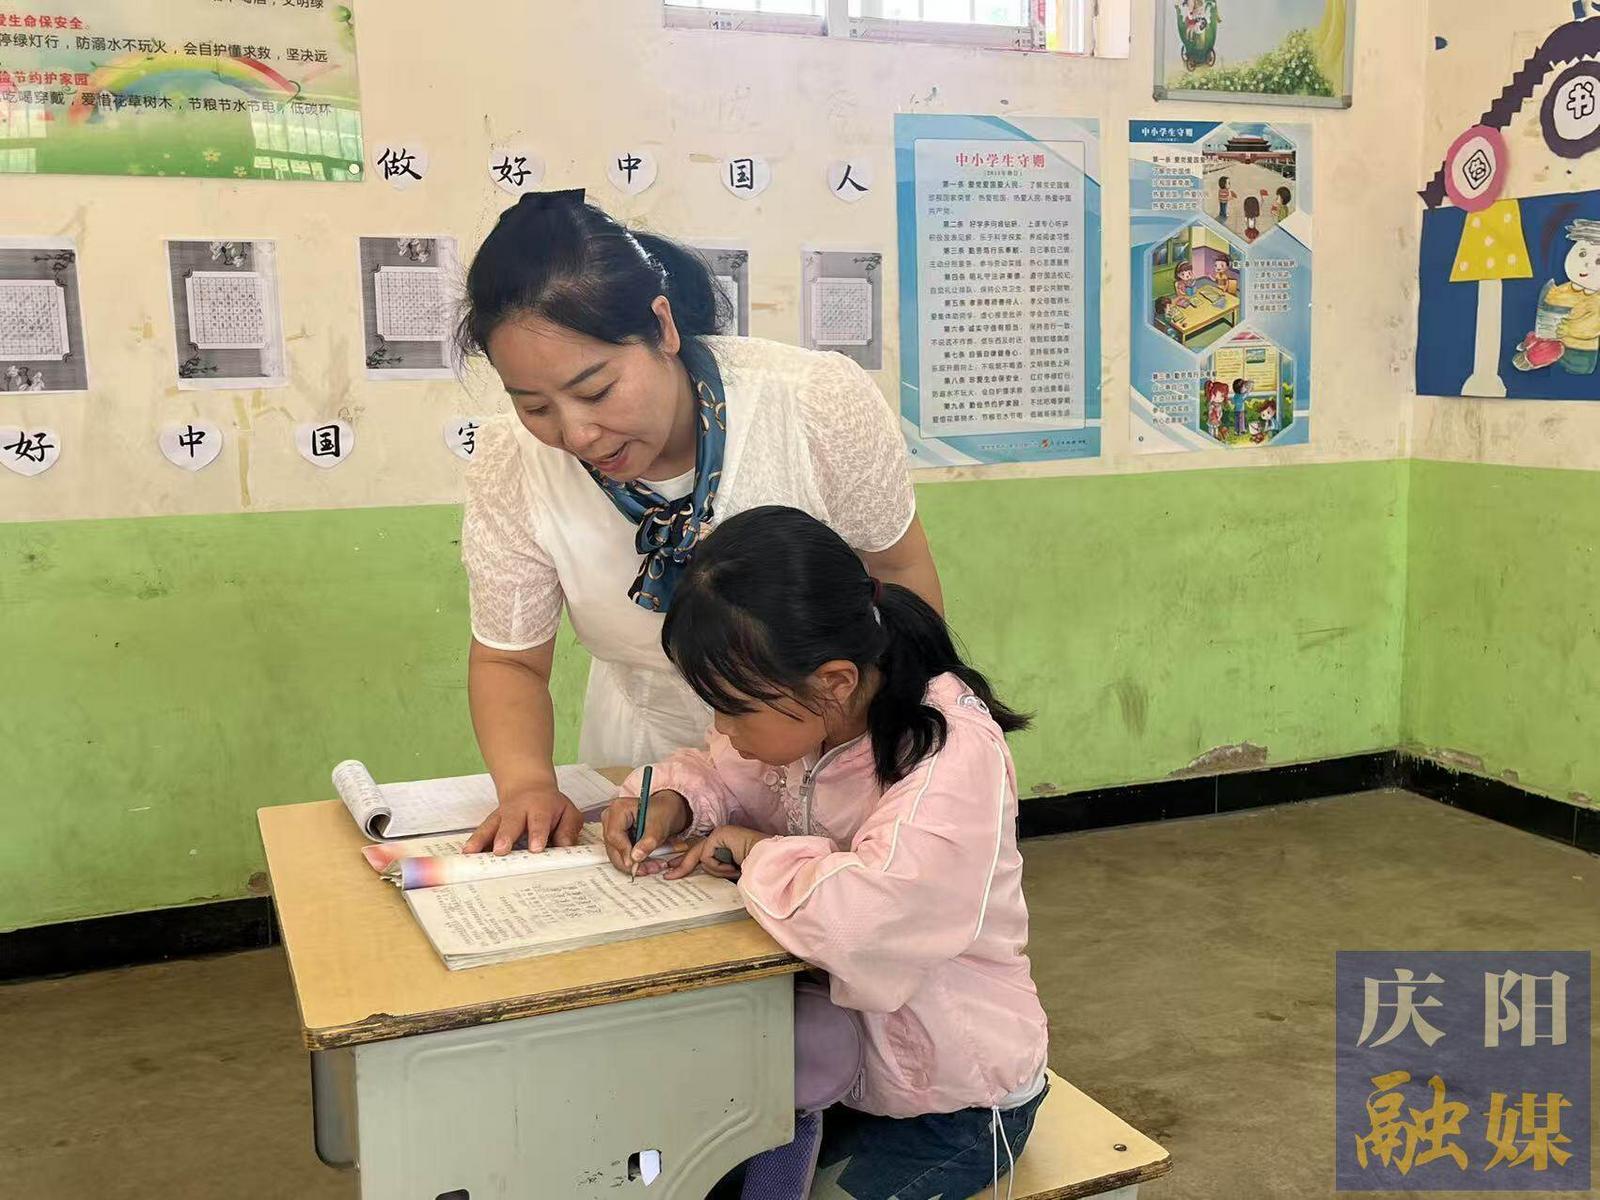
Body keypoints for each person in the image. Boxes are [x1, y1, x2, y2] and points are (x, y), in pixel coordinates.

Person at [456, 190, 941, 856]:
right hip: (645, 749)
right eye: (535, 407)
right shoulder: (513, 463)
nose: (577, 433)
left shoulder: (810, 405)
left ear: (662, 327)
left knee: (833, 898)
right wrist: (528, 787)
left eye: (596, 390)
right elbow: (508, 661)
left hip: (829, 751)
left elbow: (898, 573)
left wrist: (895, 746)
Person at [602, 506, 1048, 1200]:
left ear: (835, 682)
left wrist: (758, 854)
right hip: (833, 1072)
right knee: (679, 1173)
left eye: (735, 708)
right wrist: (675, 800)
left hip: (953, 1101)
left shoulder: (950, 753)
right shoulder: (811, 714)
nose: (723, 727)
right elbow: (720, 767)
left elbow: (867, 922)